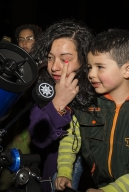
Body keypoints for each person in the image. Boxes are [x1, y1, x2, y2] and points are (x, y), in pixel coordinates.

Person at [55, 29, 129, 192]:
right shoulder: (87, 104)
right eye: (89, 66)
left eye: (100, 67)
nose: (91, 74)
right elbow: (71, 137)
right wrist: (64, 171)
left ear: (128, 70)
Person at [28, 19, 95, 192]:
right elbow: (38, 138)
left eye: (65, 59)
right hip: (54, 175)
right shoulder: (45, 89)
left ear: (83, 60)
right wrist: (58, 102)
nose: (54, 67)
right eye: (50, 58)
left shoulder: (99, 88)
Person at [0, 23, 42, 191]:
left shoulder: (43, 65)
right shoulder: (13, 64)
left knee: (26, 168)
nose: (24, 43)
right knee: (8, 166)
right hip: (12, 120)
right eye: (21, 39)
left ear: (37, 41)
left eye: (29, 39)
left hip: (31, 124)